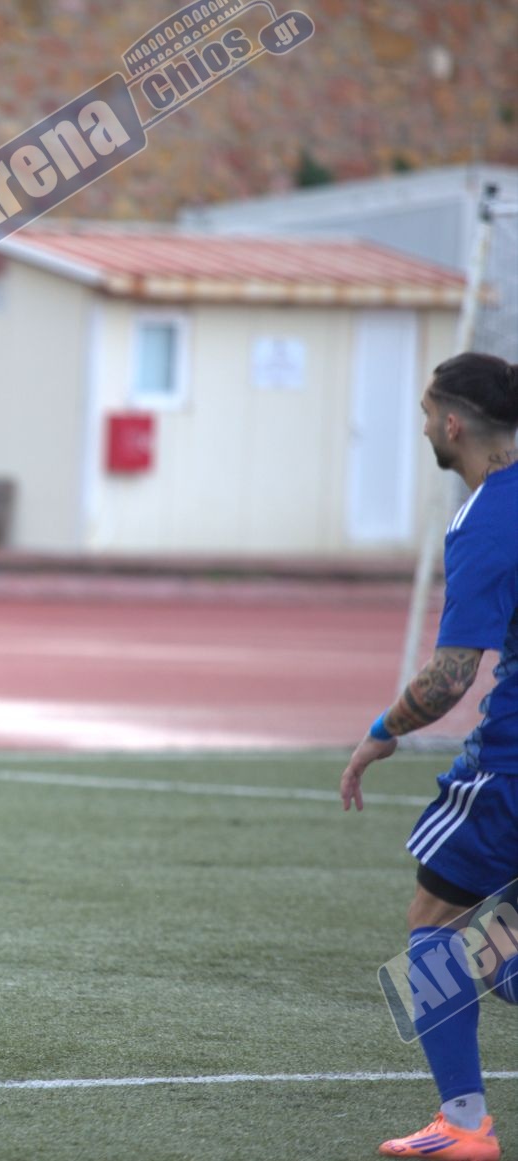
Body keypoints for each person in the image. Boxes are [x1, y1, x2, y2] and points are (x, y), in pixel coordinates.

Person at [341, 352, 518, 1161]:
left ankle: (463, 1125)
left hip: (510, 764)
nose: (419, 429)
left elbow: (450, 676)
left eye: (423, 414)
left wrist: (382, 730)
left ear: (452, 423)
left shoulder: (486, 518)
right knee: (501, 948)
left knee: (434, 923)